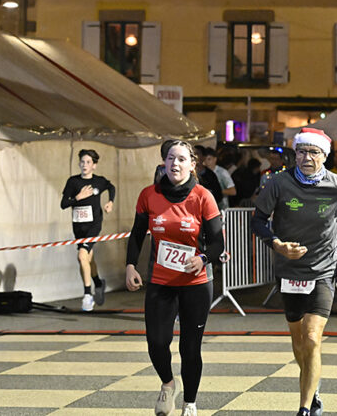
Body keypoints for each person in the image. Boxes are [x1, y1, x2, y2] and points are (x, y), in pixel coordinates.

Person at [251, 127, 337, 416]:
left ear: (324, 156)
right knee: (298, 339)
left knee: (313, 337)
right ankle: (311, 383)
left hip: (323, 268)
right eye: (301, 151)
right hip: (289, 269)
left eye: (313, 152)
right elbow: (258, 221)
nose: (306, 157)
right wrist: (277, 245)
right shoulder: (278, 183)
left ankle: (306, 407)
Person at [125, 140, 224, 416]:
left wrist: (203, 258)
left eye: (181, 159)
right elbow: (136, 234)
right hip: (161, 281)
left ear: (192, 165)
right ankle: (168, 383)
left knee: (190, 347)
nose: (175, 164)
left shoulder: (203, 196)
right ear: (163, 163)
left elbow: (218, 243)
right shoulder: (149, 195)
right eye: (170, 158)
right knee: (157, 342)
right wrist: (130, 265)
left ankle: (189, 402)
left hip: (196, 283)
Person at [61, 149, 116, 311]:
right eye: (82, 162)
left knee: (81, 256)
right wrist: (78, 197)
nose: (84, 165)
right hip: (79, 227)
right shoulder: (73, 182)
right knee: (87, 259)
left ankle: (87, 295)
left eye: (88, 162)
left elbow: (111, 187)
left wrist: (110, 202)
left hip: (94, 225)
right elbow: (63, 204)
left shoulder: (99, 181)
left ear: (94, 165)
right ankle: (98, 283)